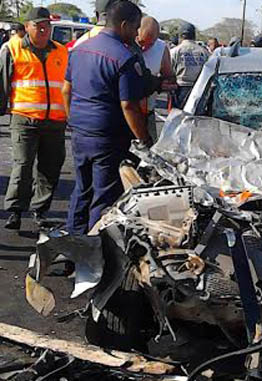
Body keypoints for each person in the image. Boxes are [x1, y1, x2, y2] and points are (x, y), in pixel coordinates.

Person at [63, 1, 150, 235]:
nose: (136, 34)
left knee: (82, 190)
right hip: (107, 138)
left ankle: (74, 242)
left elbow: (65, 91)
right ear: (124, 25)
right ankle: (93, 255)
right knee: (103, 196)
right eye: (135, 28)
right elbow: (129, 105)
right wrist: (144, 139)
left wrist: (75, 121)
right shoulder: (124, 57)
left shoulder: (79, 49)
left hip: (80, 133)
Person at [0, 7, 69, 230]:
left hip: (55, 121)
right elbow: (2, 82)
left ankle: (40, 209)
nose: (43, 29)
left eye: (47, 25)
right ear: (27, 27)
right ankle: (15, 211)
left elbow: (70, 85)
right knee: (23, 166)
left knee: (50, 168)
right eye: (38, 25)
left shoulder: (61, 52)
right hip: (24, 118)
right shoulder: (12, 49)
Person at [137, 15, 175, 140]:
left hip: (147, 112)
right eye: (141, 42)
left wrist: (165, 84)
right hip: (123, 113)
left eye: (150, 44)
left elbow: (168, 76)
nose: (143, 48)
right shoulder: (124, 44)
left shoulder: (161, 48)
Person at [170, 23, 209, 108]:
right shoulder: (204, 52)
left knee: (178, 116)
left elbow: (169, 71)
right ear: (194, 35)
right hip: (199, 89)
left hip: (180, 88)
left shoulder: (175, 51)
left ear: (181, 36)